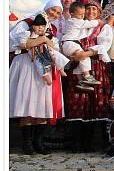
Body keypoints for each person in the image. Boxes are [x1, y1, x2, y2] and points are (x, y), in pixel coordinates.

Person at [9, 13, 69, 154]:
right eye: (38, 25)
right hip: (27, 68)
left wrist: (46, 41)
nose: (40, 28)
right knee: (27, 103)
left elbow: (54, 48)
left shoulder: (50, 36)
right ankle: (27, 143)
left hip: (45, 68)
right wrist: (41, 40)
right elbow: (24, 44)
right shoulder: (25, 32)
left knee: (42, 105)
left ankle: (38, 141)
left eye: (42, 26)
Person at [63, 0, 113, 152]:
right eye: (88, 9)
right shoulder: (77, 24)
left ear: (99, 12)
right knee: (78, 100)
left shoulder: (104, 27)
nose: (91, 12)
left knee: (96, 101)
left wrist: (86, 53)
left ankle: (95, 143)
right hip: (78, 66)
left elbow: (104, 46)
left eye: (94, 9)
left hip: (97, 65)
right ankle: (77, 143)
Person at [59, 2, 102, 91]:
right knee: (84, 57)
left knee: (79, 63)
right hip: (70, 43)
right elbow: (90, 24)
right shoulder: (76, 21)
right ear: (72, 14)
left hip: (67, 44)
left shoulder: (71, 21)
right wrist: (99, 21)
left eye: (83, 14)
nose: (82, 16)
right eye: (80, 14)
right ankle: (87, 76)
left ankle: (80, 81)